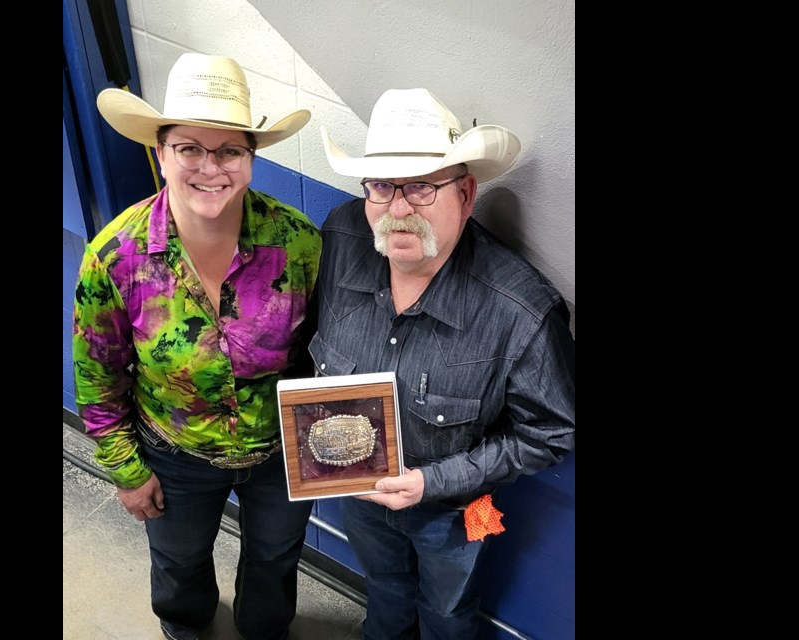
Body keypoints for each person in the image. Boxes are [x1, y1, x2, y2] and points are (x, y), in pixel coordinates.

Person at [311, 88, 576, 639]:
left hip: (452, 513)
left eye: (423, 187)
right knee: (382, 590)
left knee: (448, 612)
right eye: (383, 186)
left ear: (467, 193)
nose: (399, 208)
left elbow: (551, 431)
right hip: (354, 493)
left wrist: (431, 481)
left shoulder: (521, 311)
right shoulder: (339, 235)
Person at [73, 53, 321, 640]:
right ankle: (185, 629)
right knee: (179, 563)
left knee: (275, 559)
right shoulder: (115, 257)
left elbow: (325, 352)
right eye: (189, 148)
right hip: (174, 453)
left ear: (251, 160)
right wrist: (127, 472)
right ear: (161, 153)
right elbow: (98, 377)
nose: (211, 168)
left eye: (229, 150)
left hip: (280, 453)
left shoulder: (300, 243)